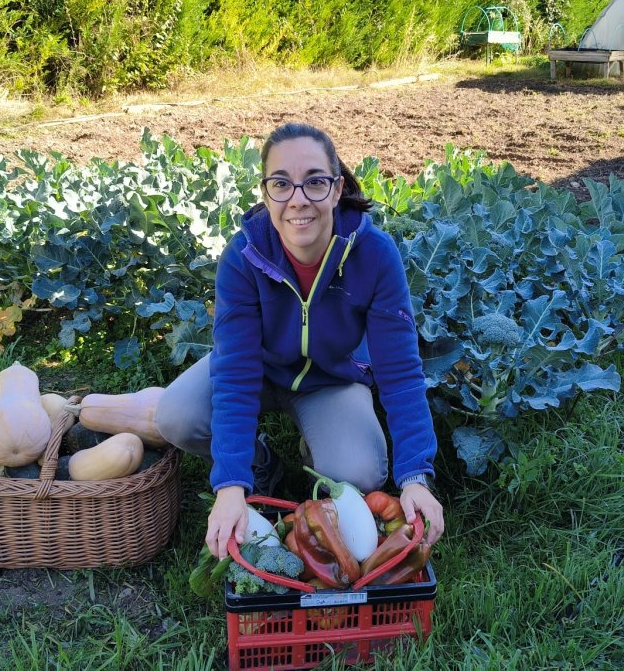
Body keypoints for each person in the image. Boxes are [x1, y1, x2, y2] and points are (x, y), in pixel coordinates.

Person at [155, 122, 444, 560]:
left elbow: (402, 374)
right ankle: (261, 467)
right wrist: (231, 486)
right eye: (281, 184)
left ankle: (319, 445)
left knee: (360, 472)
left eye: (314, 182)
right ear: (266, 192)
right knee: (176, 416)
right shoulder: (245, 257)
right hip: (260, 367)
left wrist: (416, 478)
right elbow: (234, 373)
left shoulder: (374, 255)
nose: (298, 199)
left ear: (336, 188)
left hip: (332, 378)